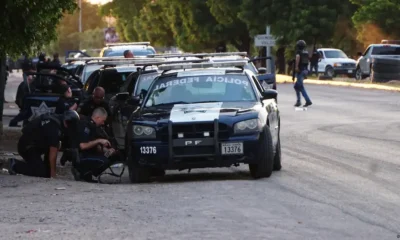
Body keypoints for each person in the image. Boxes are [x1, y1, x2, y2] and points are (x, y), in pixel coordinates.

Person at [8, 110, 80, 178]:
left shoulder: (59, 119)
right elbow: (53, 153)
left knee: (47, 173)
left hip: (36, 145)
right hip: (27, 146)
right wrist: (53, 175)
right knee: (40, 171)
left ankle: (42, 168)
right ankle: (15, 164)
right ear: (67, 122)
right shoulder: (54, 127)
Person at [71, 107, 118, 182]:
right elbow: (82, 146)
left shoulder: (93, 126)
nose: (103, 123)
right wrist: (99, 141)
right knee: (104, 161)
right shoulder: (85, 125)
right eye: (103, 121)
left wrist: (107, 151)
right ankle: (82, 173)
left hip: (88, 154)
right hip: (80, 157)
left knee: (111, 157)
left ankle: (88, 175)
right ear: (98, 117)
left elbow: (93, 145)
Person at [293, 40, 312, 107]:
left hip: (300, 71)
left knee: (300, 86)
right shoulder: (306, 52)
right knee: (296, 86)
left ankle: (308, 100)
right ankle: (298, 101)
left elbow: (297, 58)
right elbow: (308, 62)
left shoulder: (299, 52)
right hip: (305, 71)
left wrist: (296, 67)